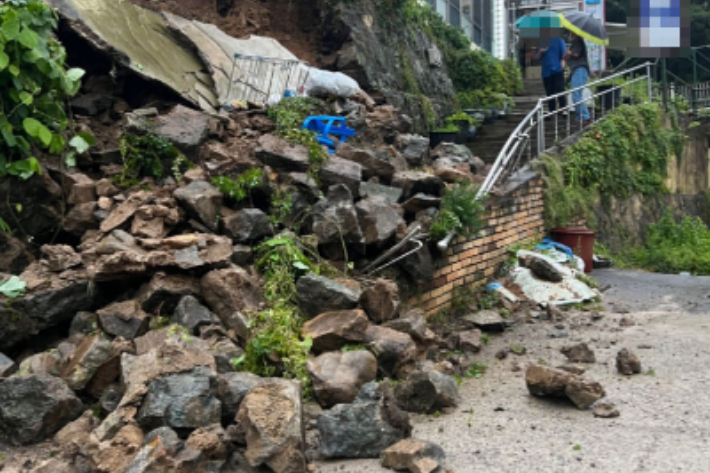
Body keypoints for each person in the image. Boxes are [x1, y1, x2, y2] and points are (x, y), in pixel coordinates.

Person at [535, 36, 567, 114]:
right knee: (549, 92)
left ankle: (563, 109)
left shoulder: (559, 40)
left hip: (557, 69)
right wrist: (540, 52)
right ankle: (551, 110)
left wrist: (562, 68)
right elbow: (536, 58)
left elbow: (564, 56)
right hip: (546, 71)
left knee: (560, 89)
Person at [566, 32, 591, 125]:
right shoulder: (577, 41)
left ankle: (585, 116)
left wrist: (569, 52)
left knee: (576, 94)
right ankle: (580, 117)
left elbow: (576, 54)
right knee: (576, 94)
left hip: (579, 68)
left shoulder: (577, 40)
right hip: (578, 69)